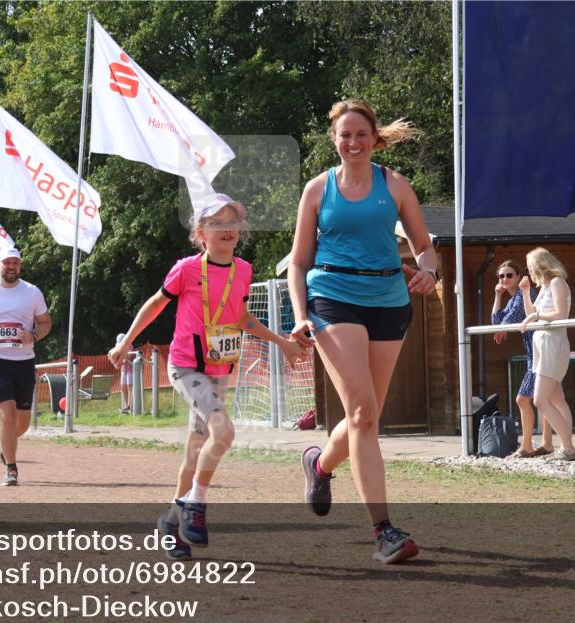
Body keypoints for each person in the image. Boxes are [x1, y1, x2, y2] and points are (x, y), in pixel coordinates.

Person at [109, 193, 306, 559]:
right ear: (201, 233)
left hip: (219, 369)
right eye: (216, 223)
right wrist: (127, 342)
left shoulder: (243, 271)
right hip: (186, 367)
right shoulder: (185, 269)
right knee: (224, 431)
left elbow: (242, 318)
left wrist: (282, 342)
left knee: (194, 452)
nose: (226, 229)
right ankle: (195, 506)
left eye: (232, 222)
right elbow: (155, 303)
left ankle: (171, 522)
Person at [287, 99, 438, 565]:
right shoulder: (317, 190)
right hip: (332, 298)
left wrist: (430, 271)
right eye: (343, 135)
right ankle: (384, 531)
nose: (352, 142)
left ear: (374, 138)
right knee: (363, 414)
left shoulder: (395, 186)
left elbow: (425, 246)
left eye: (360, 134)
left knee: (365, 416)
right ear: (333, 140)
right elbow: (298, 261)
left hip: (389, 302)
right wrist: (299, 314)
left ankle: (320, 463)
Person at [0, 247, 52, 486]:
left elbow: (45, 322)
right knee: (6, 413)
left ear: (20, 266)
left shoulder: (32, 292)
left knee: (21, 424)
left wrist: (34, 335)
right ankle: (11, 469)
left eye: (15, 262)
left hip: (24, 361)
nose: (11, 266)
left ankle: (2, 439)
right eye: (7, 262)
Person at [491, 259, 554, 457]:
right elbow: (496, 322)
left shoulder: (522, 297)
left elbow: (506, 324)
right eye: (501, 276)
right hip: (534, 353)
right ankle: (547, 443)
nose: (505, 279)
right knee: (546, 399)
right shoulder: (512, 299)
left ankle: (527, 446)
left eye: (509, 275)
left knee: (523, 399)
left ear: (518, 277)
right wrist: (497, 295)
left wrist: (502, 329)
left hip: (540, 353)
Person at [519, 247, 575, 461]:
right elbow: (531, 314)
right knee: (556, 399)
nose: (529, 271)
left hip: (553, 343)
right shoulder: (543, 287)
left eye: (530, 266)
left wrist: (536, 317)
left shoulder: (557, 283)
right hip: (542, 344)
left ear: (540, 265)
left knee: (540, 400)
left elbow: (560, 314)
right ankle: (565, 446)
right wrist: (525, 292)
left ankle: (568, 447)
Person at [116, 333, 134, 413]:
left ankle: (130, 405)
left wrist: (120, 353)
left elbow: (128, 356)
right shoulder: (119, 347)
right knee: (123, 387)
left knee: (129, 386)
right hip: (123, 369)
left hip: (131, 368)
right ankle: (127, 406)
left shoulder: (130, 346)